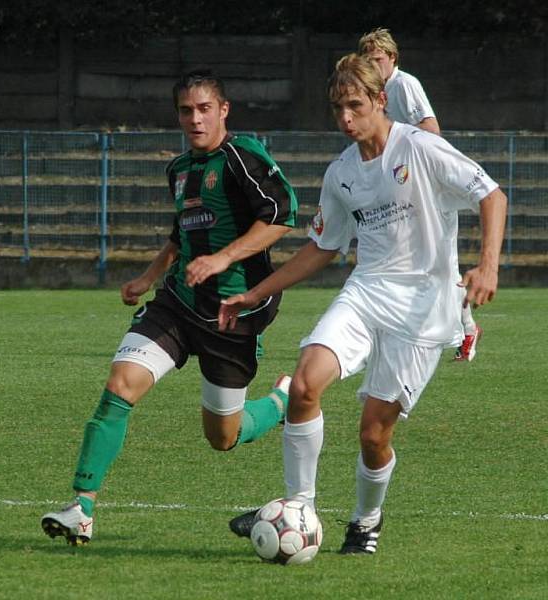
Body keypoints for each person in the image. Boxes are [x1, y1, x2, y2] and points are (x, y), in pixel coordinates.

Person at [219, 54, 506, 554]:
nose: (346, 119)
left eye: (355, 106)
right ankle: (299, 506)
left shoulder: (421, 148)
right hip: (367, 292)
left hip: (423, 308)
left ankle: (366, 520)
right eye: (337, 109)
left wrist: (488, 265)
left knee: (373, 435)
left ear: (380, 100)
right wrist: (255, 292)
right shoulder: (341, 173)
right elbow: (323, 248)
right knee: (305, 382)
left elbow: (492, 196)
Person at [41, 69, 298, 546]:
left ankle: (281, 401)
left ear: (223, 110)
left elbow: (283, 215)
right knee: (119, 386)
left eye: (204, 109)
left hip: (233, 313)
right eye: (186, 110)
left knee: (222, 437)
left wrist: (222, 258)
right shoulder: (179, 169)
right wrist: (148, 277)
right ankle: (82, 506)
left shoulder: (243, 157)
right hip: (177, 305)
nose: (195, 119)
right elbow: (181, 234)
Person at [358, 27, 482, 362]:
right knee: (417, 261)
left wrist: (399, 149)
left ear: (392, 59)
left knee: (441, 263)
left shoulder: (403, 84)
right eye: (367, 61)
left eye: (377, 59)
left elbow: (431, 131)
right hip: (404, 190)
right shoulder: (375, 93)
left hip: (428, 188)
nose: (373, 65)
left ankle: (466, 329)